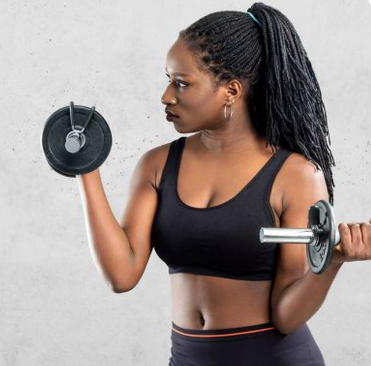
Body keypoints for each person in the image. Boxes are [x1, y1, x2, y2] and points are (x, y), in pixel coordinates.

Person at [76, 3, 371, 365]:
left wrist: (335, 260)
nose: (166, 96)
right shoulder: (156, 165)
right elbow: (121, 275)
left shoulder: (296, 175)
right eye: (169, 79)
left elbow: (287, 315)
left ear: (230, 91)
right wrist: (84, 166)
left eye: (182, 83)